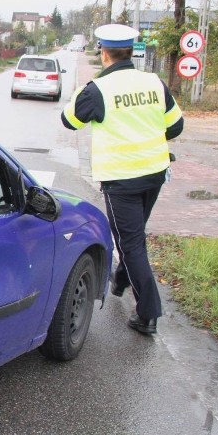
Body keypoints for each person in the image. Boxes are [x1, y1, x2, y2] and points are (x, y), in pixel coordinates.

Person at [61, 23, 184, 335]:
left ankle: (148, 313)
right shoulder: (154, 82)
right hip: (154, 175)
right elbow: (176, 126)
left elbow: (70, 120)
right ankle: (120, 279)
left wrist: (86, 88)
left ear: (103, 53)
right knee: (134, 237)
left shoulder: (98, 90)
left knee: (130, 243)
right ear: (131, 51)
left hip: (121, 180)